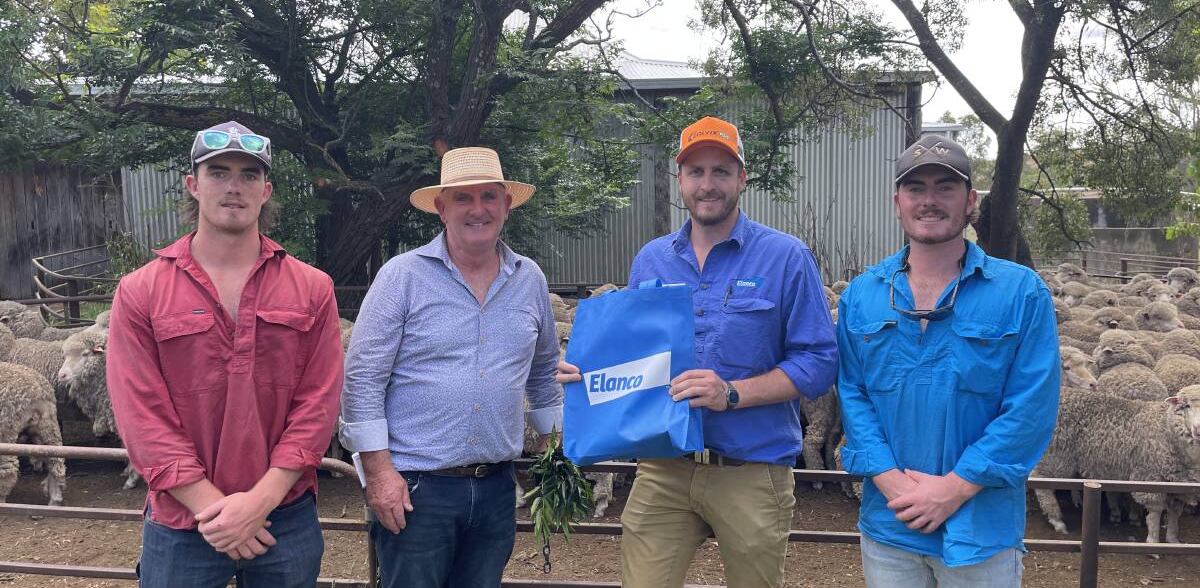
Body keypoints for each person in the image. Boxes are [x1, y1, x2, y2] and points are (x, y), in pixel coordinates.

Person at [557, 116, 839, 587]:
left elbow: (818, 362)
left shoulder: (786, 257)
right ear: (680, 180)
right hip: (664, 468)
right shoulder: (651, 259)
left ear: (742, 178)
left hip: (752, 469)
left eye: (721, 172)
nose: (708, 185)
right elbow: (635, 356)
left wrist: (732, 393)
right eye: (696, 172)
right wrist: (586, 372)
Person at [106, 121, 345, 588]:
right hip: (182, 524)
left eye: (249, 175)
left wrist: (258, 503)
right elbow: (141, 415)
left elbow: (318, 404)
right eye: (219, 172)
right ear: (193, 185)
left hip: (284, 518)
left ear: (266, 190)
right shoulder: (140, 292)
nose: (234, 186)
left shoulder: (314, 288)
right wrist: (216, 511)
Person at [836, 133, 1060, 587]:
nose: (929, 201)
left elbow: (1031, 408)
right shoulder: (863, 294)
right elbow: (852, 392)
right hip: (890, 527)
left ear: (970, 200)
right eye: (916, 189)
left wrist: (954, 488)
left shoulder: (1021, 293)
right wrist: (889, 480)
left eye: (946, 187)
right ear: (897, 200)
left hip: (981, 532)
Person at [339, 147, 562, 588]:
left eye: (488, 197)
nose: (477, 209)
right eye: (463, 198)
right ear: (441, 208)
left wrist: (553, 450)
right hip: (417, 489)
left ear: (506, 204)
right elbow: (362, 379)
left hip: (498, 484)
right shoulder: (402, 276)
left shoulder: (529, 278)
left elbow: (544, 369)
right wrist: (380, 474)